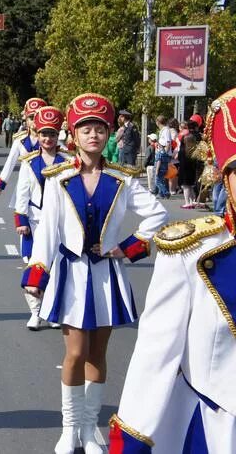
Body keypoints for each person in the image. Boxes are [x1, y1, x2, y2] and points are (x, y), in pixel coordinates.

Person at [21, 93, 167, 454]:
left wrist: (128, 246)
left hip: (106, 275)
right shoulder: (58, 177)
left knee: (98, 353)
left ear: (108, 134)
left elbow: (158, 215)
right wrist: (37, 273)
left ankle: (89, 429)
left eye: (100, 129)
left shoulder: (123, 179)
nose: (93, 135)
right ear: (74, 133)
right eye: (86, 128)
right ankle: (69, 428)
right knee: (75, 351)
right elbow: (49, 230)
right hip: (71, 273)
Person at [109, 87, 236, 453]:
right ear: (222, 177)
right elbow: (156, 352)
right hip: (215, 433)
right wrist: (133, 435)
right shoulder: (191, 250)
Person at [13, 106, 71, 330]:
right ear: (37, 135)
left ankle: (52, 311)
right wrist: (22, 221)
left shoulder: (68, 160)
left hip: (59, 223)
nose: (47, 138)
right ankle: (35, 312)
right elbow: (22, 192)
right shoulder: (29, 161)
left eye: (52, 134)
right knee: (33, 267)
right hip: (35, 221)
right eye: (43, 134)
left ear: (58, 136)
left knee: (56, 267)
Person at [0, 98, 47, 195]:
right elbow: (10, 162)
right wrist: (1, 183)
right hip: (25, 183)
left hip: (45, 184)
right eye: (32, 118)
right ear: (26, 120)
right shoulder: (19, 140)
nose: (35, 122)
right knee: (22, 209)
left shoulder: (50, 140)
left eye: (38, 118)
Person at [178, 118, 204, 209]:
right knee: (191, 185)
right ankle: (193, 200)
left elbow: (179, 155)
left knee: (185, 186)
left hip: (184, 166)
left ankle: (187, 202)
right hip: (194, 166)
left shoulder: (183, 146)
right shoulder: (194, 147)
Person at [155, 115, 172, 199]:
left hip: (162, 153)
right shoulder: (163, 130)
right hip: (160, 151)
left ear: (158, 122)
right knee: (160, 176)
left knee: (158, 175)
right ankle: (161, 193)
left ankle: (165, 192)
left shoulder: (166, 130)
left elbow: (168, 142)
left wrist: (164, 152)